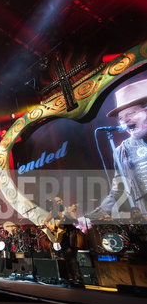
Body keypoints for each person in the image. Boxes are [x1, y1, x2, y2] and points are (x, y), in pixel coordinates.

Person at [93, 79, 147, 217]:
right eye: (121, 118)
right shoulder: (123, 150)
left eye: (130, 113)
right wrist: (96, 215)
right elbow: (119, 189)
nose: (124, 121)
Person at [44, 197, 83, 286]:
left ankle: (78, 277)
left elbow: (76, 220)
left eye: (60, 200)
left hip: (70, 233)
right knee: (66, 255)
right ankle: (70, 277)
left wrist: (70, 215)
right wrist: (50, 227)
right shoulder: (54, 212)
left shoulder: (68, 210)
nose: (60, 202)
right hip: (61, 235)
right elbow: (46, 222)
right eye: (57, 201)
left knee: (71, 254)